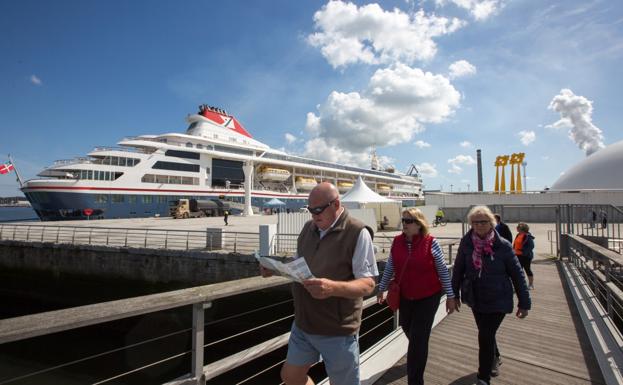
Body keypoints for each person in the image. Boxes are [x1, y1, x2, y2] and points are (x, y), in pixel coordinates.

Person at [260, 182, 378, 385]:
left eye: (318, 209)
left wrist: (332, 288)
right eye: (310, 209)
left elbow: (368, 284)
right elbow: (298, 264)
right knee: (290, 376)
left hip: (337, 329)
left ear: (336, 204)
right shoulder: (308, 228)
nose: (313, 215)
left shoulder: (358, 232)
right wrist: (276, 267)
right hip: (304, 323)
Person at [377, 208, 458, 385]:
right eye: (403, 220)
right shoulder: (397, 242)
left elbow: (443, 271)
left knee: (418, 339)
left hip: (428, 297)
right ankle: (419, 351)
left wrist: (451, 296)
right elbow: (390, 266)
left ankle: (415, 381)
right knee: (408, 329)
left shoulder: (430, 242)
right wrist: (381, 288)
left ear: (419, 224)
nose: (404, 224)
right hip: (405, 296)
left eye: (408, 221)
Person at [451, 205, 531, 385]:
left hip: (498, 298)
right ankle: (495, 356)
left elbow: (517, 275)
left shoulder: (503, 245)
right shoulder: (467, 243)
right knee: (486, 333)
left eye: (483, 222)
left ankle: (483, 377)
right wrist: (453, 294)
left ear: (492, 222)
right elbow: (458, 270)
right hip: (476, 297)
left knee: (485, 335)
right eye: (475, 222)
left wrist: (524, 303)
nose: (479, 225)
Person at [513, 223, 535, 290]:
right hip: (517, 255)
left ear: (522, 229)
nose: (517, 228)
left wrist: (523, 252)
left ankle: (531, 284)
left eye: (518, 227)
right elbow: (515, 244)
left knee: (527, 269)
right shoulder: (518, 235)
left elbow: (531, 246)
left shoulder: (527, 236)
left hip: (526, 257)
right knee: (519, 270)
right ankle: (520, 284)